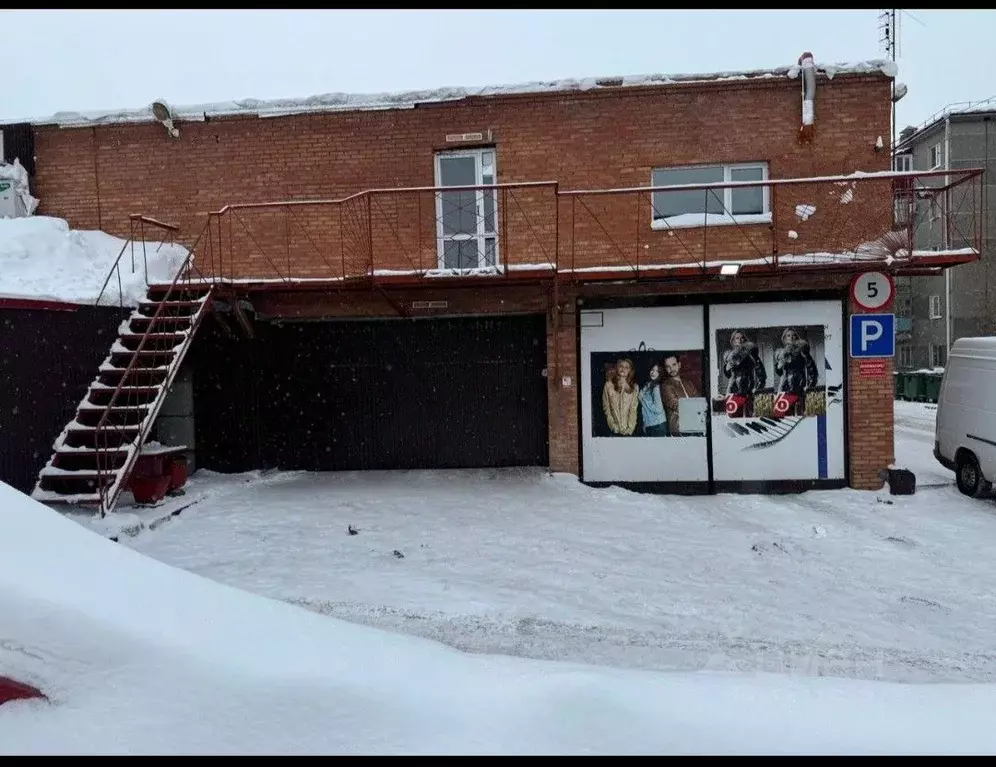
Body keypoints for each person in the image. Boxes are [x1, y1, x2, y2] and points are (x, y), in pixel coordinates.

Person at [774, 327, 819, 416]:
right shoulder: (782, 353)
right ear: (785, 339)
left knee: (800, 415)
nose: (791, 337)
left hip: (799, 387)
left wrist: (810, 385)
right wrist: (779, 365)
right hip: (784, 387)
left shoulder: (803, 352)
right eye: (788, 335)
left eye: (794, 336)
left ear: (797, 338)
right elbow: (779, 372)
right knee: (780, 414)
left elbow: (812, 369)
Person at [722, 329, 766, 418]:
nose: (740, 340)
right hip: (733, 388)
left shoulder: (752, 355)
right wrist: (728, 366)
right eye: (737, 338)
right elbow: (727, 374)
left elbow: (760, 370)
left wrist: (760, 384)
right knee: (732, 415)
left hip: (749, 388)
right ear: (733, 341)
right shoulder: (730, 355)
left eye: (742, 338)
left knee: (749, 415)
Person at [660, 353, 700, 436]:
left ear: (679, 365)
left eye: (674, 365)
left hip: (696, 424)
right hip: (679, 428)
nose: (671, 369)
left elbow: (699, 400)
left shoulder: (689, 383)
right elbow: (677, 405)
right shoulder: (666, 386)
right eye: (668, 366)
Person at [602, 358, 638, 436]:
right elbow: (606, 407)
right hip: (613, 429)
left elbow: (633, 409)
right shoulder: (608, 385)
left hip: (628, 430)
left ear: (630, 371)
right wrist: (612, 426)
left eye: (626, 367)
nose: (623, 369)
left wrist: (630, 429)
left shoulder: (634, 387)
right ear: (617, 368)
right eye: (621, 366)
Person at [637, 364, 669, 437]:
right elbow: (643, 405)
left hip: (658, 425)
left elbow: (658, 409)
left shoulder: (656, 388)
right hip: (650, 425)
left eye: (657, 371)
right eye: (652, 370)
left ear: (660, 374)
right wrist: (645, 424)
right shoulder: (647, 384)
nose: (653, 372)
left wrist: (643, 399)